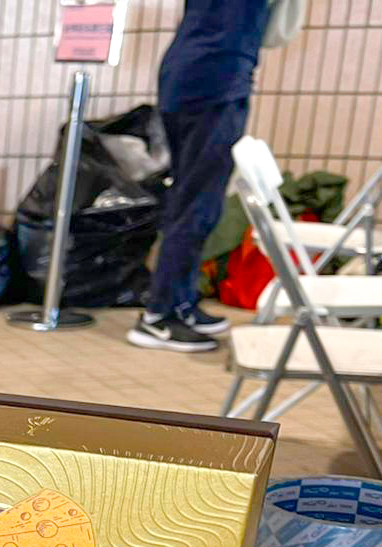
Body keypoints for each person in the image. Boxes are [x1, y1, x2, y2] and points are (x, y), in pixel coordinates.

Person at [128, 0, 271, 353]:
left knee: (189, 198)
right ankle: (161, 315)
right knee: (198, 204)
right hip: (215, 80)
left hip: (194, 73)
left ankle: (179, 301)